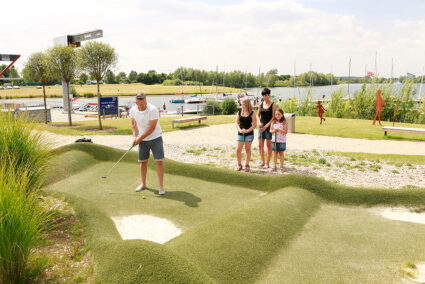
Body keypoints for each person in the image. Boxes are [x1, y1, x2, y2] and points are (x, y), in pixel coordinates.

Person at [130, 93, 165, 195]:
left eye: (145, 103)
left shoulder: (152, 109)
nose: (144, 106)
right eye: (141, 104)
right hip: (143, 140)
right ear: (136, 103)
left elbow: (152, 128)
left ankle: (161, 187)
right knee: (143, 162)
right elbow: (133, 124)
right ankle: (143, 184)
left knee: (159, 162)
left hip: (155, 138)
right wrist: (134, 137)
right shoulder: (133, 110)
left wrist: (139, 138)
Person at [235, 98, 257, 172]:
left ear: (247, 104)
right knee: (238, 150)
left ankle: (247, 165)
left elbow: (254, 124)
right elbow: (236, 123)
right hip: (240, 133)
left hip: (249, 134)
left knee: (248, 149)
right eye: (241, 104)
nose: (242, 105)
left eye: (243, 104)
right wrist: (240, 130)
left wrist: (247, 130)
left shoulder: (252, 113)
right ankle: (239, 164)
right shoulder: (239, 112)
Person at [257, 88, 276, 168]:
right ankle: (263, 161)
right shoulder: (260, 104)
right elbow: (257, 116)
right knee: (260, 145)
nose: (264, 97)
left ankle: (267, 163)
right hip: (261, 126)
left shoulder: (273, 104)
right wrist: (259, 122)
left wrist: (266, 126)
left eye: (265, 95)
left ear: (269, 95)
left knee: (268, 145)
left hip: (268, 127)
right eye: (263, 95)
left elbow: (273, 117)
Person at [270, 108, 288, 173]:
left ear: (282, 114)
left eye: (279, 114)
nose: (277, 116)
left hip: (281, 141)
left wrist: (279, 129)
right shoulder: (273, 122)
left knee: (281, 153)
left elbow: (285, 131)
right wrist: (274, 130)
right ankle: (274, 166)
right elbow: (270, 130)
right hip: (274, 140)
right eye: (276, 114)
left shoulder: (284, 122)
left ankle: (281, 166)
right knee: (275, 153)